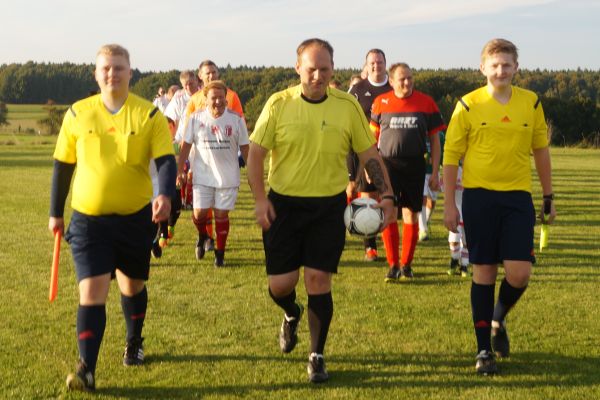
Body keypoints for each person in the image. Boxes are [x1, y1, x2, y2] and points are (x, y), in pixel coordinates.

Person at [247, 38, 396, 384]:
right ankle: (291, 313)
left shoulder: (347, 106)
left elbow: (369, 154)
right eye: (311, 69)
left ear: (333, 69)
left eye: (324, 69)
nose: (318, 75)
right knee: (280, 285)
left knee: (318, 280)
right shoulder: (278, 103)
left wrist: (387, 194)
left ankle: (317, 355)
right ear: (298, 68)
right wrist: (260, 199)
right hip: (283, 205)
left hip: (328, 207)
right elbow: (255, 154)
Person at [48, 44, 176, 391]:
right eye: (105, 68)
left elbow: (166, 161)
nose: (112, 74)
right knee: (92, 290)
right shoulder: (77, 114)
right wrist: (55, 212)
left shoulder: (149, 114)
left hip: (135, 219)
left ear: (130, 72)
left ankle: (134, 341)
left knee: (131, 285)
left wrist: (164, 194)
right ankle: (86, 368)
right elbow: (63, 165)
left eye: (118, 68)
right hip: (89, 221)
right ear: (96, 73)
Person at [443, 38, 556, 375]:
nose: (501, 71)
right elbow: (450, 156)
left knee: (519, 273)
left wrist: (548, 196)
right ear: (483, 68)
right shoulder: (467, 104)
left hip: (517, 198)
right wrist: (449, 204)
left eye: (507, 65)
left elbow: (541, 150)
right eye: (495, 65)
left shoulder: (531, 102)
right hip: (479, 198)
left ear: (516, 68)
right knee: (484, 273)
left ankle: (498, 317)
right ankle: (483, 350)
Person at [371, 62, 445, 282]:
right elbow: (371, 139)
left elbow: (435, 140)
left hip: (415, 165)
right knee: (389, 213)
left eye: (410, 78)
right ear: (392, 81)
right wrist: (371, 168)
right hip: (388, 166)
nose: (407, 82)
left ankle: (406, 264)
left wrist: (435, 172)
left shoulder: (427, 102)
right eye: (402, 79)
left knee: (411, 214)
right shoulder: (381, 102)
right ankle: (393, 265)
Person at [177, 81, 249, 266]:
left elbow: (245, 147)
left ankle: (220, 254)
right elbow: (186, 145)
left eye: (221, 97)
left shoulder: (236, 119)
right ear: (206, 99)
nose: (218, 101)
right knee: (199, 213)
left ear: (226, 98)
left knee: (221, 215)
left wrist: (251, 170)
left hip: (227, 177)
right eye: (213, 98)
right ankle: (203, 236)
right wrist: (180, 170)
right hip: (202, 176)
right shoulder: (196, 118)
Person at [348, 49, 392, 262]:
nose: (376, 66)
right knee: (368, 199)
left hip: (390, 153)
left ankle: (391, 249)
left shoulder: (393, 88)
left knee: (388, 198)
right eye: (372, 63)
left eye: (379, 62)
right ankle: (370, 247)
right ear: (366, 65)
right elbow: (347, 118)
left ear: (385, 63)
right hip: (364, 152)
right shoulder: (357, 90)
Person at [418, 131, 445, 242]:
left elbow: (444, 155)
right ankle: (422, 230)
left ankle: (424, 221)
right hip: (420, 172)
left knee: (432, 202)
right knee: (422, 198)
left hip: (434, 172)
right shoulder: (418, 132)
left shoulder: (440, 136)